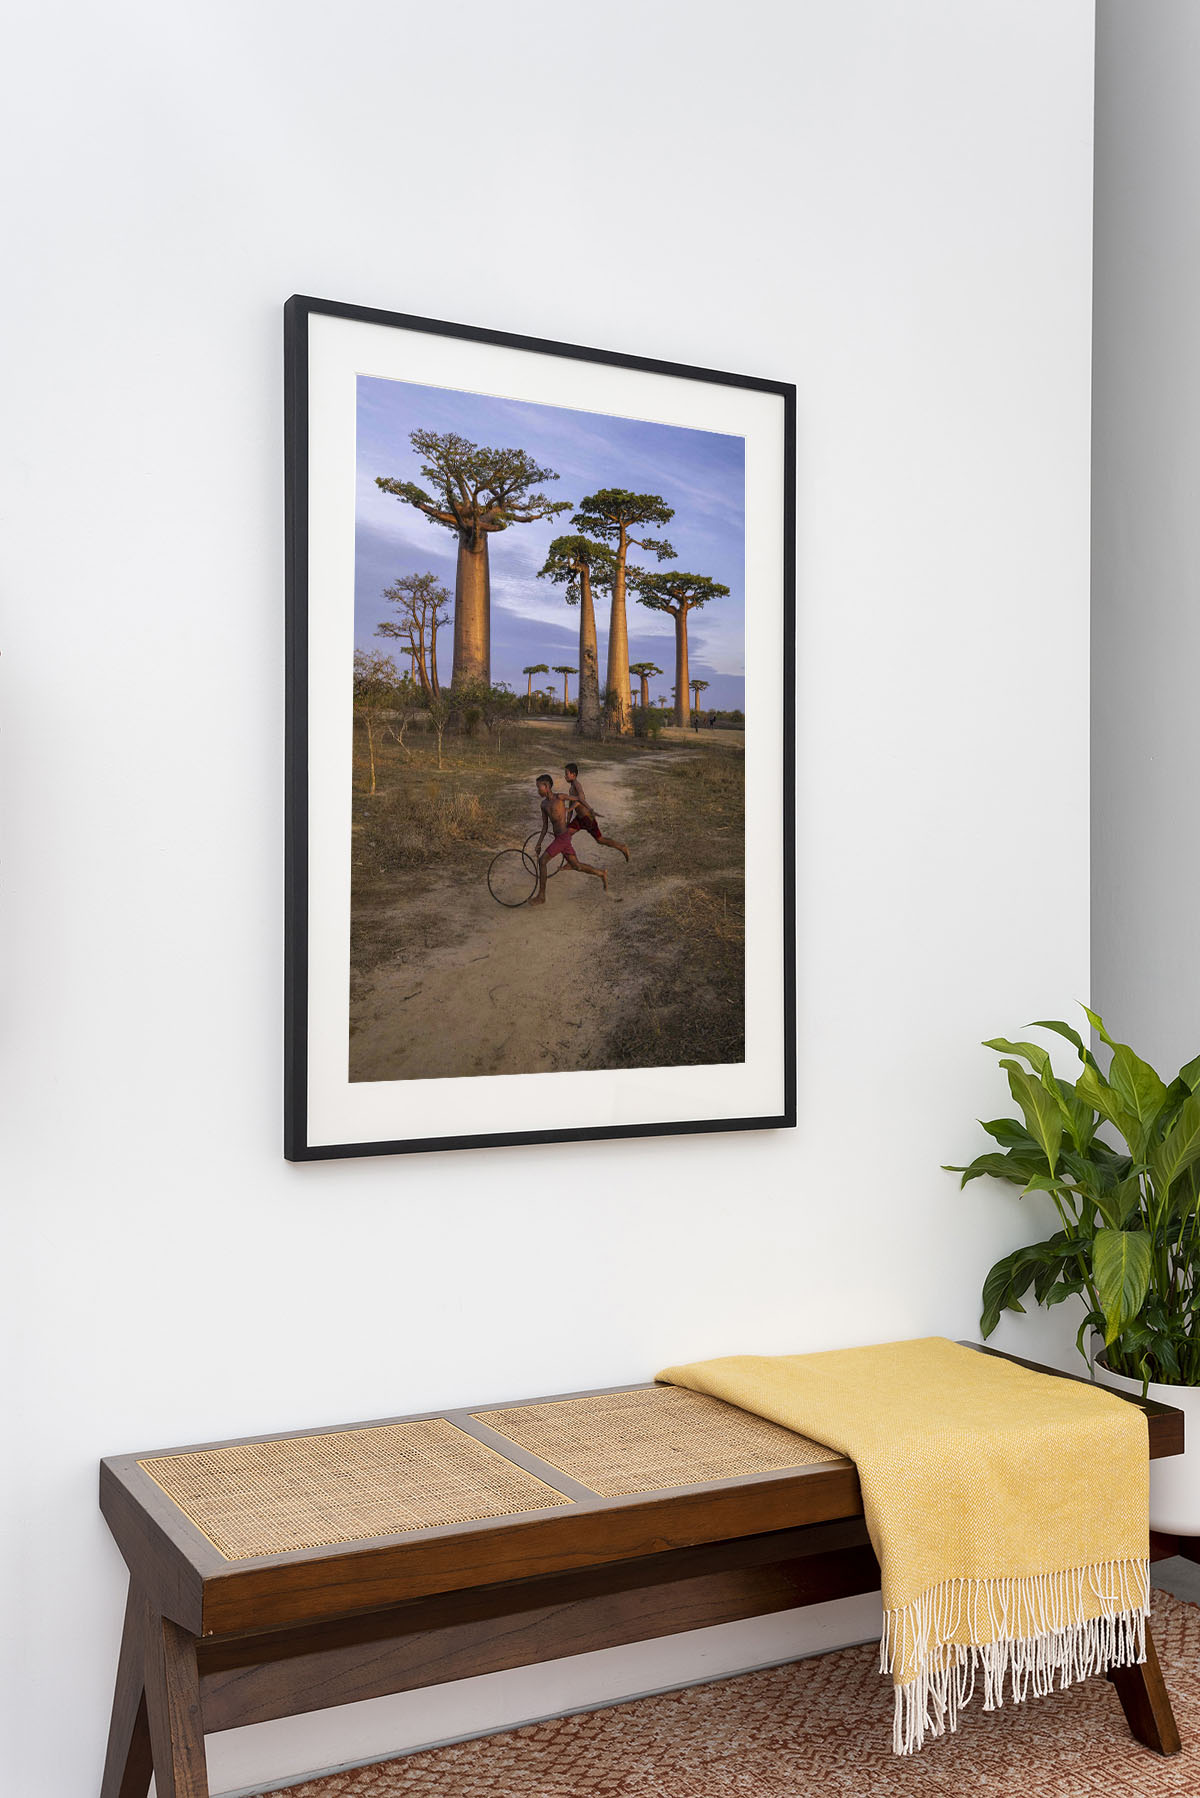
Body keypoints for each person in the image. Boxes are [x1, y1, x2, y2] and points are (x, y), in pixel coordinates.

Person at [529, 774, 607, 906]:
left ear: (547, 786)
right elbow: (545, 827)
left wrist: (587, 810)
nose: (538, 790)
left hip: (563, 837)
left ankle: (541, 896)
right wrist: (538, 844)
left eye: (539, 787)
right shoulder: (543, 805)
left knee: (542, 861)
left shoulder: (560, 797)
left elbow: (579, 798)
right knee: (577, 866)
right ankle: (601, 873)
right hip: (560, 839)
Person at [564, 762, 630, 862]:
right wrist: (567, 820)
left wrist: (570, 809)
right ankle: (572, 861)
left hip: (587, 817)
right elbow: (571, 805)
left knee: (600, 840)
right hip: (579, 818)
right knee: (565, 835)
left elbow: (581, 798)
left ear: (573, 775)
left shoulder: (577, 785)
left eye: (566, 774)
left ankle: (622, 847)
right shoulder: (571, 789)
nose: (565, 776)